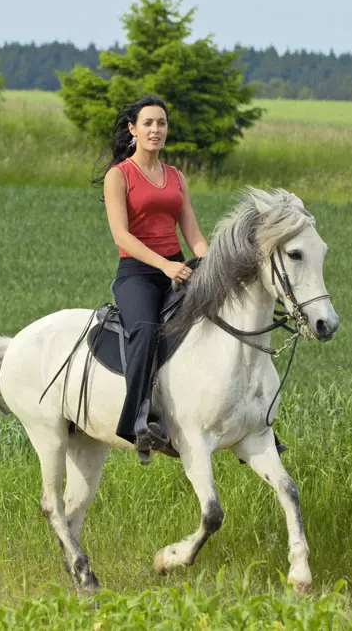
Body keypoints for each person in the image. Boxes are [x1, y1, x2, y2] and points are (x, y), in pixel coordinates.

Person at [98, 94, 206, 456]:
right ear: (133, 130)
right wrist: (164, 265)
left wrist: (210, 264)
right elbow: (121, 236)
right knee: (145, 330)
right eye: (148, 123)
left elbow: (191, 231)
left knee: (222, 321)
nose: (155, 129)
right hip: (138, 274)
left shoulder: (176, 176)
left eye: (161, 123)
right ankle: (138, 422)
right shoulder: (119, 176)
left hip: (178, 268)